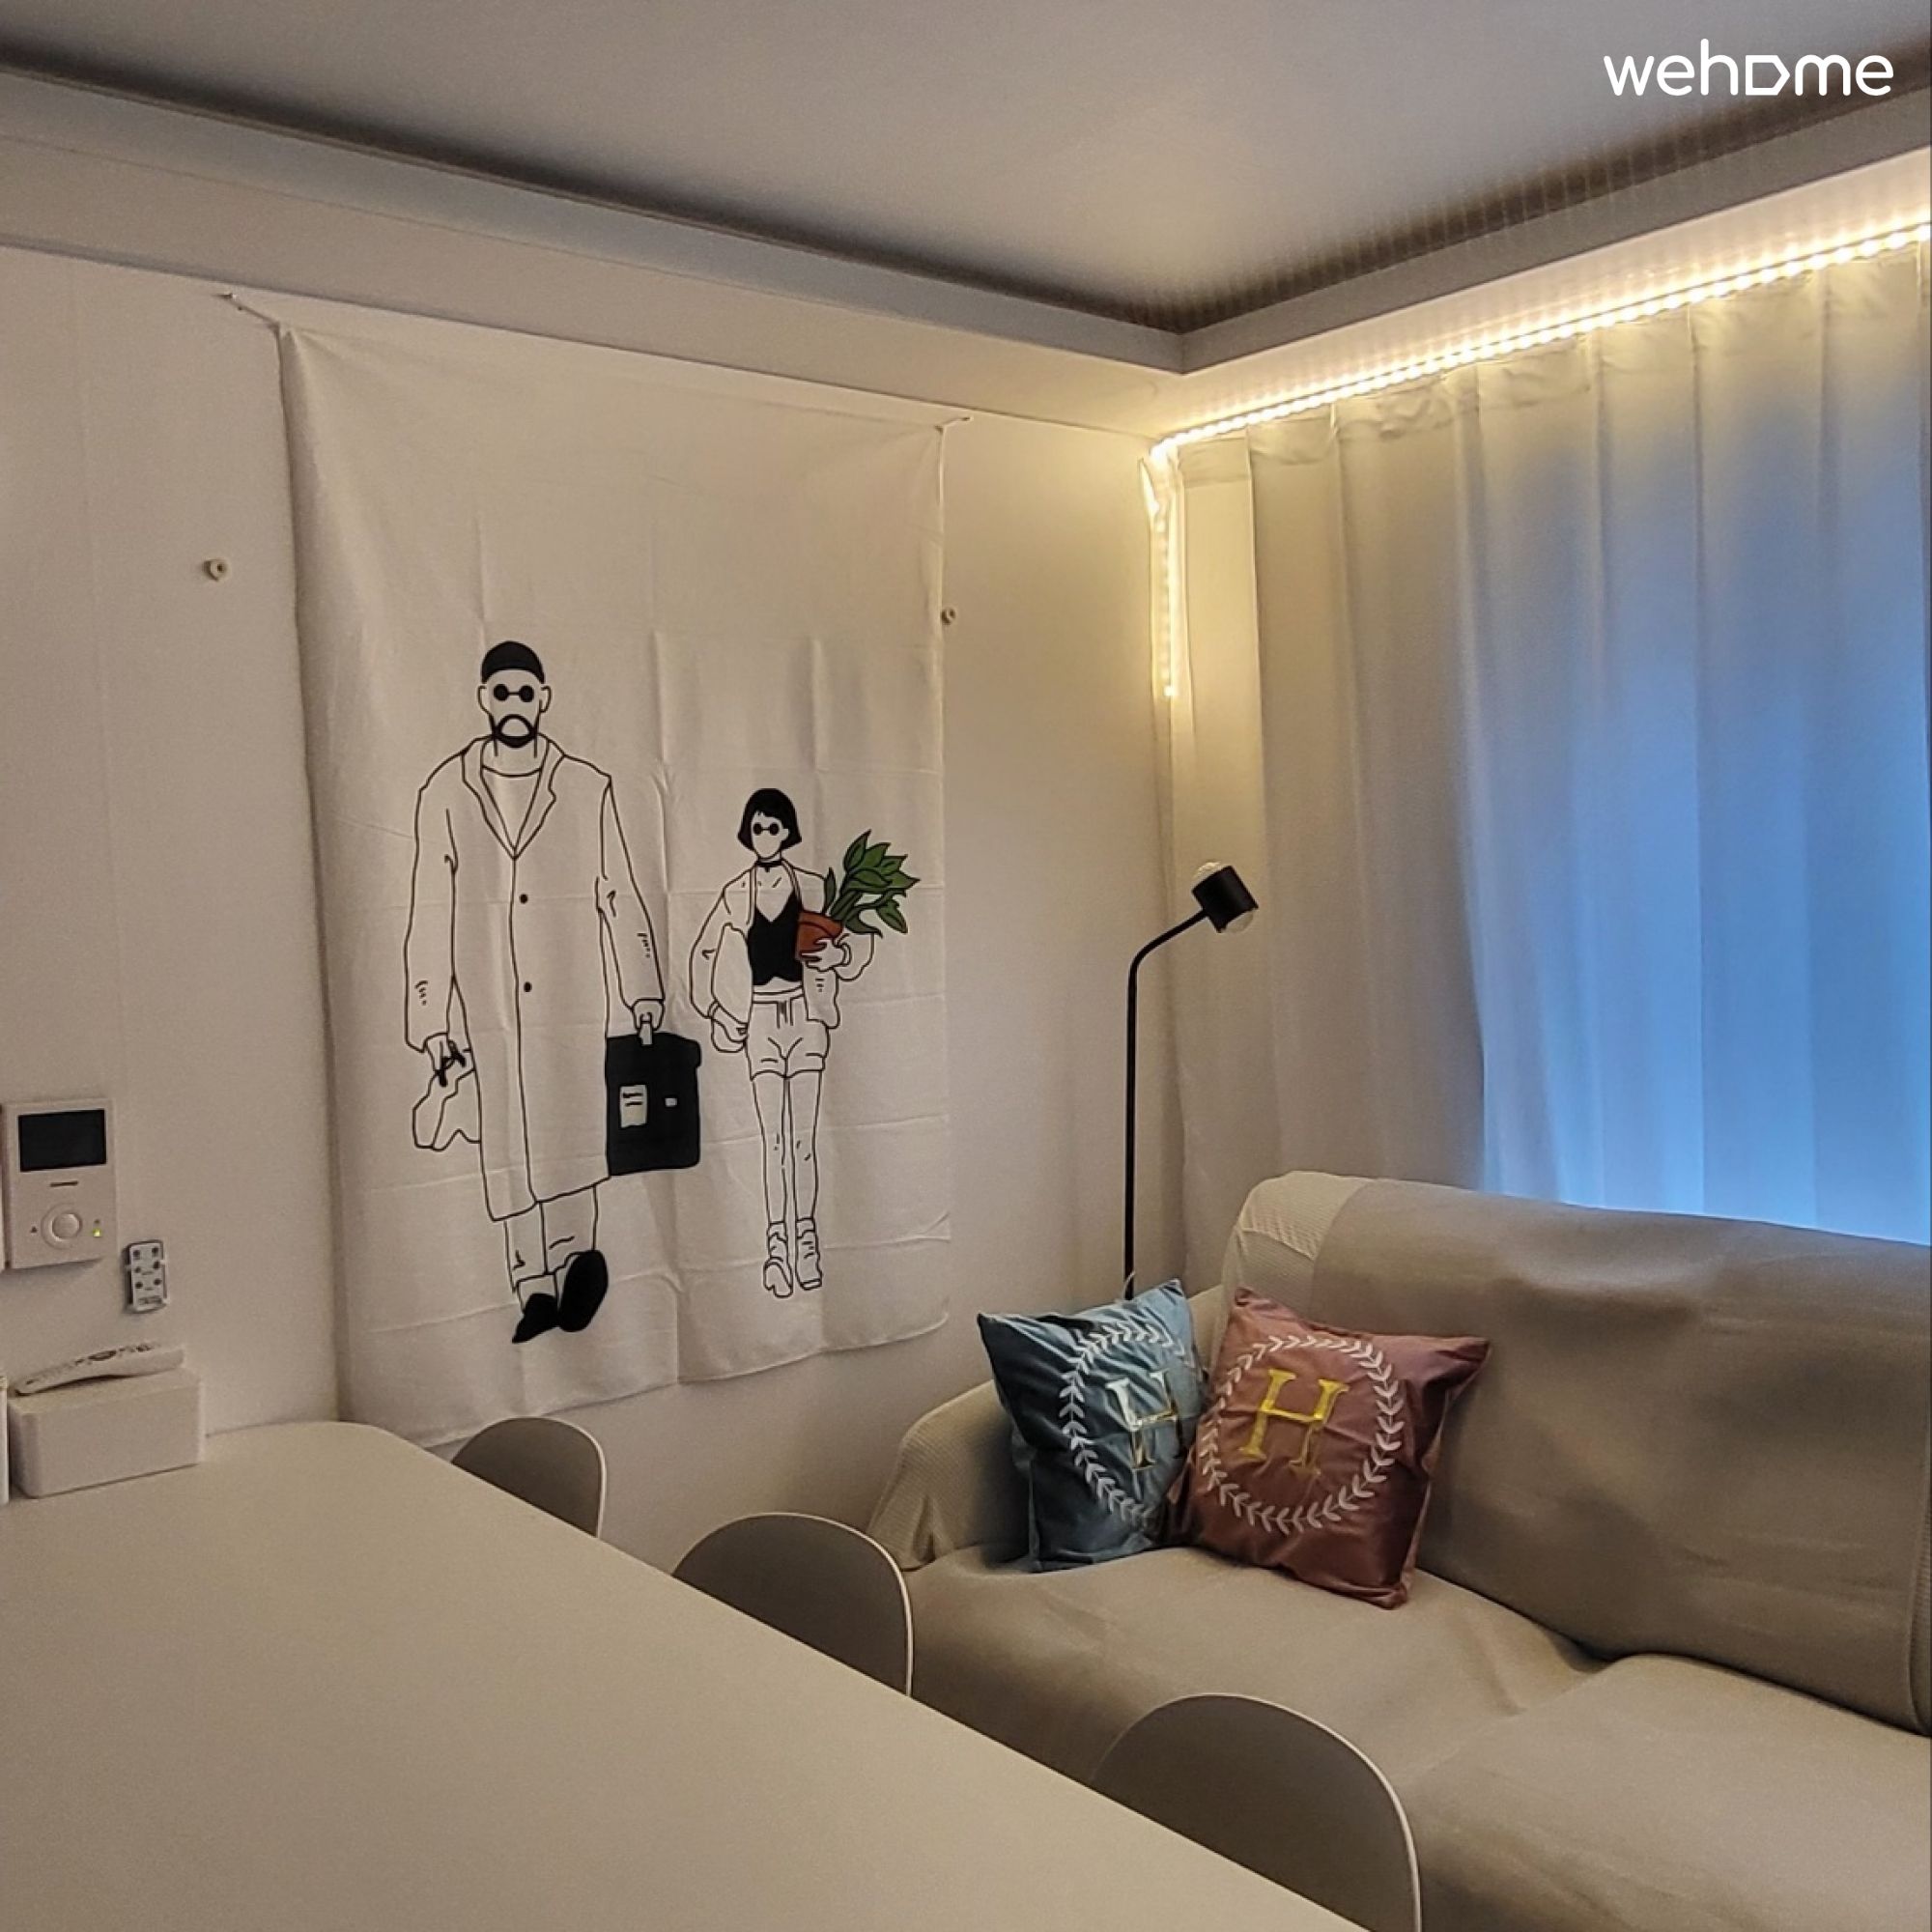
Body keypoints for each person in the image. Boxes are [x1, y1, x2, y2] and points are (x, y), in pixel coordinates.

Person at [406, 640, 664, 1342]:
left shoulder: (584, 786)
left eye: (526, 692)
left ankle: (577, 1260)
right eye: (502, 693)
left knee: (570, 1123)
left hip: (569, 989)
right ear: (483, 699)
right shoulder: (446, 791)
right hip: (486, 1000)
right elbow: (428, 906)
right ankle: (531, 1285)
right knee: (507, 1141)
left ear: (544, 698)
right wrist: (430, 1015)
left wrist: (642, 987)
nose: (514, 705)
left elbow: (619, 892)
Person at [689, 789, 872, 1296]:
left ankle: (806, 1241)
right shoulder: (736, 893)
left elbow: (856, 943)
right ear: (746, 833)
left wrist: (838, 958)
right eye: (757, 828)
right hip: (761, 1020)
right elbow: (702, 953)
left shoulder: (811, 886)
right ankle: (775, 1247)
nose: (765, 836)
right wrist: (717, 1011)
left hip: (806, 1015)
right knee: (772, 1139)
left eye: (773, 827)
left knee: (803, 1140)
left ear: (788, 831)